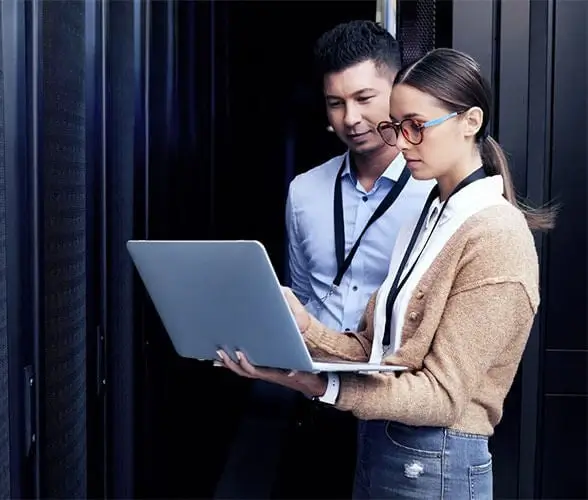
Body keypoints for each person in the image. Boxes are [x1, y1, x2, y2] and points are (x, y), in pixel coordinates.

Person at [219, 47, 555, 499]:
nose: (401, 143)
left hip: (438, 459)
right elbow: (377, 351)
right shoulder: (434, 214)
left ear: (470, 121)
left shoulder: (496, 232)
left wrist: (321, 384)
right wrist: (303, 328)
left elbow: (442, 396)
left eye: (417, 127)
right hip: (384, 444)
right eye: (397, 127)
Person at [280, 20, 434, 499]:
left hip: (398, 404)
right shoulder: (304, 190)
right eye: (336, 102)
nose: (351, 118)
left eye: (365, 98)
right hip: (316, 399)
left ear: (397, 91)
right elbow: (302, 294)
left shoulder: (435, 191)